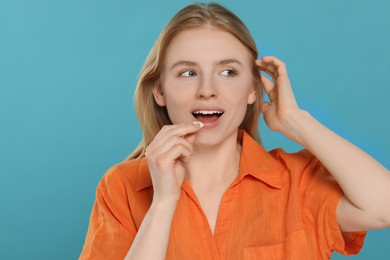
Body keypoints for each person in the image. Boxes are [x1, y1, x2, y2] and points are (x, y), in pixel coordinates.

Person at [80, 3, 390, 259]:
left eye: (228, 72)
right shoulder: (121, 188)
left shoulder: (298, 183)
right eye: (188, 73)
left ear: (252, 90)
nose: (207, 90)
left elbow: (383, 208)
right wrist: (162, 204)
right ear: (159, 91)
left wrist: (296, 121)